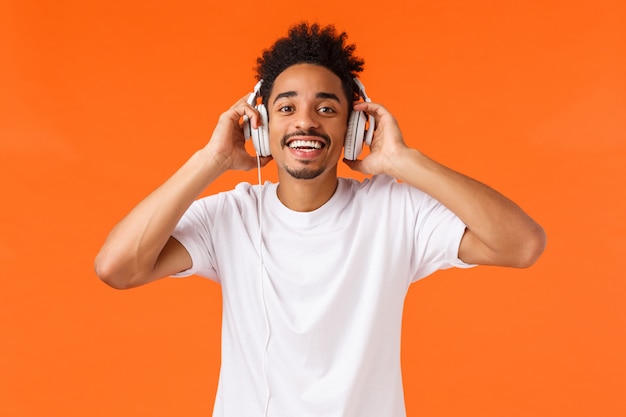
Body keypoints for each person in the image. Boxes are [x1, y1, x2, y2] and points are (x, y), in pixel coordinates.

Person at [95, 22, 546, 417]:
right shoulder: (230, 217)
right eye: (286, 108)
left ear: (354, 128)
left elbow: (521, 245)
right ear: (260, 126)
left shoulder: (395, 210)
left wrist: (403, 161)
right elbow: (116, 268)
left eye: (327, 108)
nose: (305, 122)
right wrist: (210, 159)